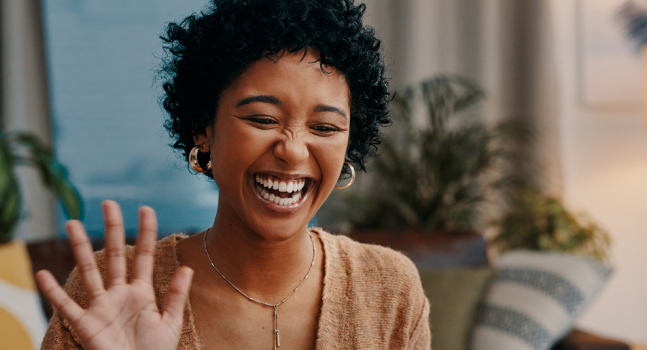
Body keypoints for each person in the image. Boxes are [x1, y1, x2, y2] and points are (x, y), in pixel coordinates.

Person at [35, 0, 431, 349]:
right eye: (262, 118)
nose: (293, 150)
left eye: (324, 128)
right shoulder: (110, 290)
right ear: (203, 128)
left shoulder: (390, 289)